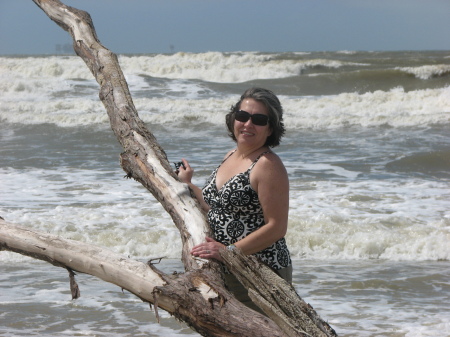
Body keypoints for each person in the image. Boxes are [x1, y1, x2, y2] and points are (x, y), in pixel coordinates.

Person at [177, 87, 292, 310]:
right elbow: (216, 207)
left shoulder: (268, 165)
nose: (248, 124)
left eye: (258, 119)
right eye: (243, 116)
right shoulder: (230, 155)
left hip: (260, 271)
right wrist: (188, 184)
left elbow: (277, 227)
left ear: (270, 128)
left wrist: (227, 252)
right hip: (229, 267)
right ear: (233, 119)